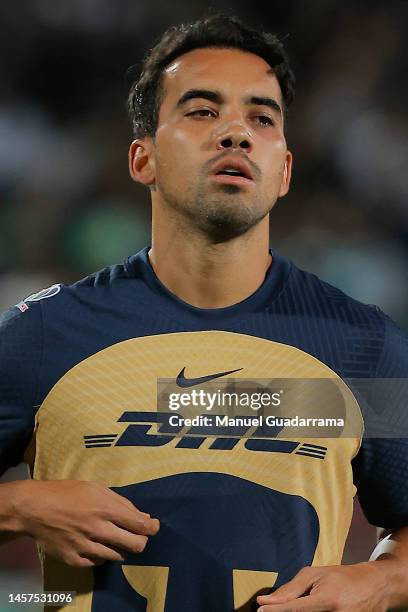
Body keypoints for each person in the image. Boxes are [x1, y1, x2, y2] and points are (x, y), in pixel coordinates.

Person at [1, 13, 408, 612]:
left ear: (285, 170)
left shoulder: (364, 343)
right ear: (143, 160)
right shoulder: (43, 335)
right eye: (202, 111)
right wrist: (17, 507)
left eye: (262, 118)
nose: (236, 133)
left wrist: (380, 582)